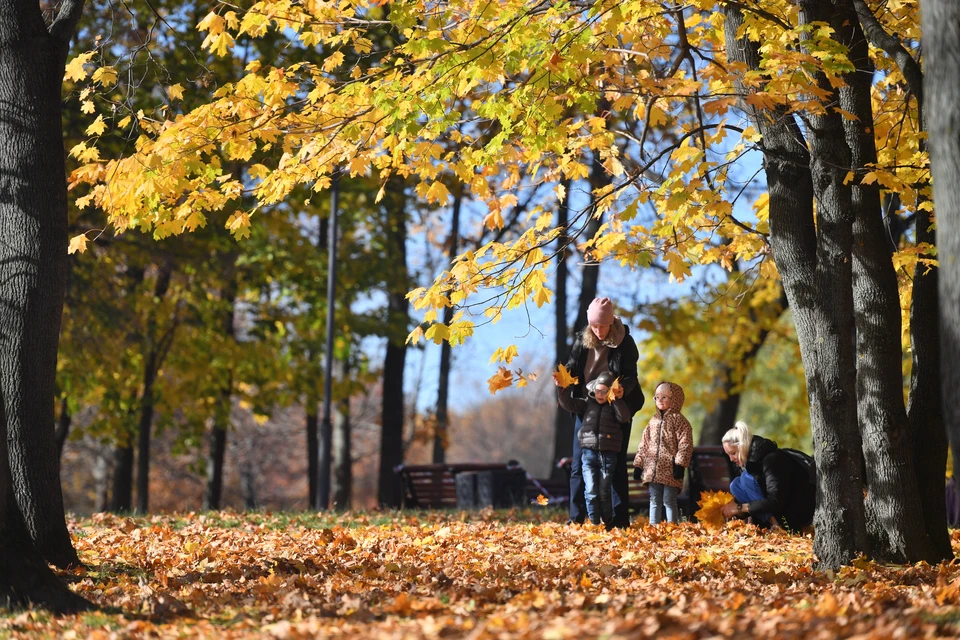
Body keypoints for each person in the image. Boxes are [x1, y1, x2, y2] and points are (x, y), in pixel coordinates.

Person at [563, 297, 644, 527]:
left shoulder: (625, 342)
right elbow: (572, 367)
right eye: (594, 326)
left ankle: (619, 521)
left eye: (602, 325)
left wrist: (621, 390)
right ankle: (576, 518)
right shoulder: (582, 339)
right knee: (579, 463)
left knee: (616, 463)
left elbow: (631, 376)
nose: (598, 330)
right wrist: (564, 381)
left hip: (616, 407)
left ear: (611, 323)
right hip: (587, 407)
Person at [557, 371, 629, 527]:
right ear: (593, 389)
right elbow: (567, 403)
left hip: (608, 456)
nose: (600, 395)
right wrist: (562, 389)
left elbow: (624, 417)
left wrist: (615, 400)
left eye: (604, 392)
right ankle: (595, 523)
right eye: (598, 391)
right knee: (590, 490)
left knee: (604, 491)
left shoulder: (614, 406)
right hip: (589, 454)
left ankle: (607, 521)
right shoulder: (587, 403)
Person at [719, 421, 816, 532]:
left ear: (743, 446)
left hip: (797, 513)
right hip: (778, 511)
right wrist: (734, 509)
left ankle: (778, 526)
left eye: (733, 453)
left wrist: (739, 507)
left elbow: (775, 501)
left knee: (745, 479)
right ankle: (773, 523)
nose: (731, 459)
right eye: (729, 455)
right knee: (735, 484)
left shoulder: (772, 460)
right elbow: (755, 496)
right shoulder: (750, 464)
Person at [632, 382, 693, 524]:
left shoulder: (680, 421)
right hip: (653, 469)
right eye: (657, 397)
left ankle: (672, 527)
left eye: (664, 397)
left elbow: (685, 444)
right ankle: (654, 528)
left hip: (671, 469)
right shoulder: (653, 421)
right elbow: (644, 444)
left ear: (675, 400)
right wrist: (638, 464)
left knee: (669, 500)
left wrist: (680, 464)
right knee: (654, 499)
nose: (660, 400)